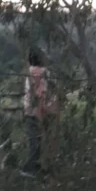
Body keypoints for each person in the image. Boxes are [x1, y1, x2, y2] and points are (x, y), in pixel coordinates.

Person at [21, 48, 58, 176]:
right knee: (39, 142)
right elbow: (43, 94)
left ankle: (35, 166)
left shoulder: (29, 73)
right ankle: (30, 168)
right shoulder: (42, 73)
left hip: (32, 111)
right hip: (38, 111)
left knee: (36, 141)